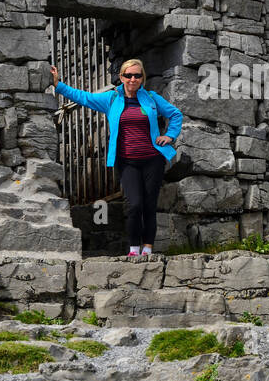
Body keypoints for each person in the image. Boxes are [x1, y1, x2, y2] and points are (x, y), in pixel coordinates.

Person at [50, 59, 183, 259]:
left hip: (152, 160)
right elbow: (83, 97)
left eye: (137, 75)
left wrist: (169, 136)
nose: (132, 79)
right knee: (134, 204)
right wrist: (58, 85)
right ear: (121, 77)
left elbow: (175, 114)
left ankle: (148, 249)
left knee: (149, 205)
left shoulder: (152, 99)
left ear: (142, 78)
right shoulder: (111, 99)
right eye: (128, 75)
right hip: (127, 161)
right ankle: (133, 249)